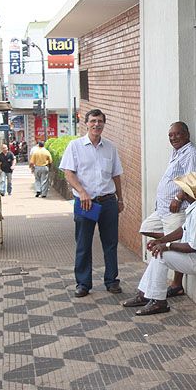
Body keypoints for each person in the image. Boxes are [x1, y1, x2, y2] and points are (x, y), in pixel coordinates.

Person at [122, 172, 196, 315]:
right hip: (195, 257)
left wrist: (167, 246)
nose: (179, 192)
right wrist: (161, 241)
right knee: (159, 253)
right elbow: (182, 229)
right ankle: (144, 294)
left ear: (186, 194)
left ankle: (159, 302)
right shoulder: (195, 207)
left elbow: (194, 246)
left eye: (182, 190)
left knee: (161, 256)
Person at [60, 109, 124, 298]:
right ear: (86, 123)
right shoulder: (75, 146)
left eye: (100, 121)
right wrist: (82, 192)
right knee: (83, 243)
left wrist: (120, 199)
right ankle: (83, 283)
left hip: (107, 202)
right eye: (93, 121)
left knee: (111, 243)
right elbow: (68, 173)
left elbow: (116, 175)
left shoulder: (110, 147)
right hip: (85, 203)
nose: (97, 124)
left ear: (104, 124)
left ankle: (112, 281)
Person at [139, 121, 196, 297]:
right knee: (146, 228)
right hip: (163, 210)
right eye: (170, 135)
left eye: (177, 134)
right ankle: (181, 237)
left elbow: (193, 181)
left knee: (165, 250)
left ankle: (176, 284)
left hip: (177, 208)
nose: (173, 138)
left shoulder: (191, 154)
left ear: (187, 134)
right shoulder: (177, 152)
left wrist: (178, 197)